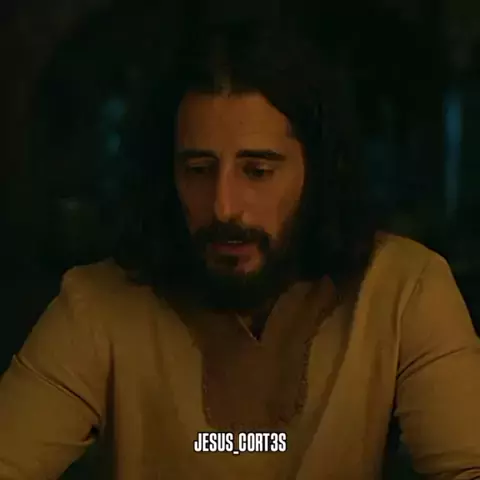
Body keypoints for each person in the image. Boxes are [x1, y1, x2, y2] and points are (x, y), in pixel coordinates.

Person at [1, 15, 480, 480]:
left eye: (258, 171)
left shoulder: (403, 290)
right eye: (198, 170)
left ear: (317, 172)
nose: (224, 207)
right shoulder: (97, 305)